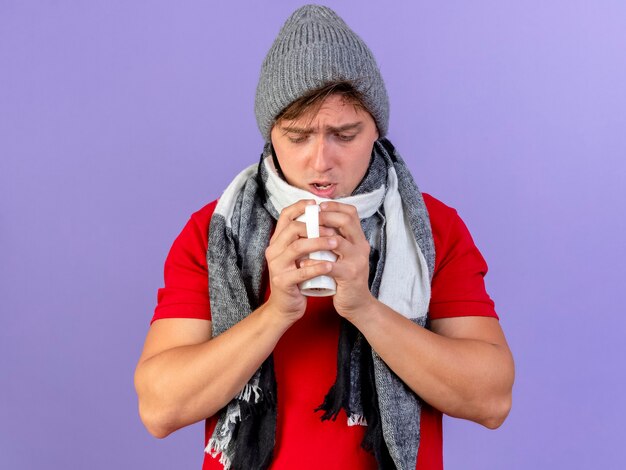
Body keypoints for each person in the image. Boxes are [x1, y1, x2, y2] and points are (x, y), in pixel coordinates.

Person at [134, 4, 514, 470]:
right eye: (297, 137)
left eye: (344, 134)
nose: (320, 162)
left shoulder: (431, 230)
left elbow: (492, 399)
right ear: (270, 134)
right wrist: (275, 314)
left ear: (376, 127)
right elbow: (159, 408)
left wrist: (365, 309)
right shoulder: (217, 233)